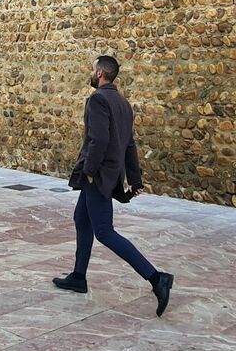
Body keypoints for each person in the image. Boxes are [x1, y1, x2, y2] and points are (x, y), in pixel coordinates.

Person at [52, 55, 174, 316]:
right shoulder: (123, 104)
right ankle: (78, 276)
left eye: (92, 69)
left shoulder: (98, 100)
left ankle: (156, 278)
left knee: (105, 232)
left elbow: (98, 139)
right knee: (81, 219)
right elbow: (129, 144)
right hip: (108, 175)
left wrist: (89, 171)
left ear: (100, 74)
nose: (90, 72)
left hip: (97, 176)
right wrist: (135, 179)